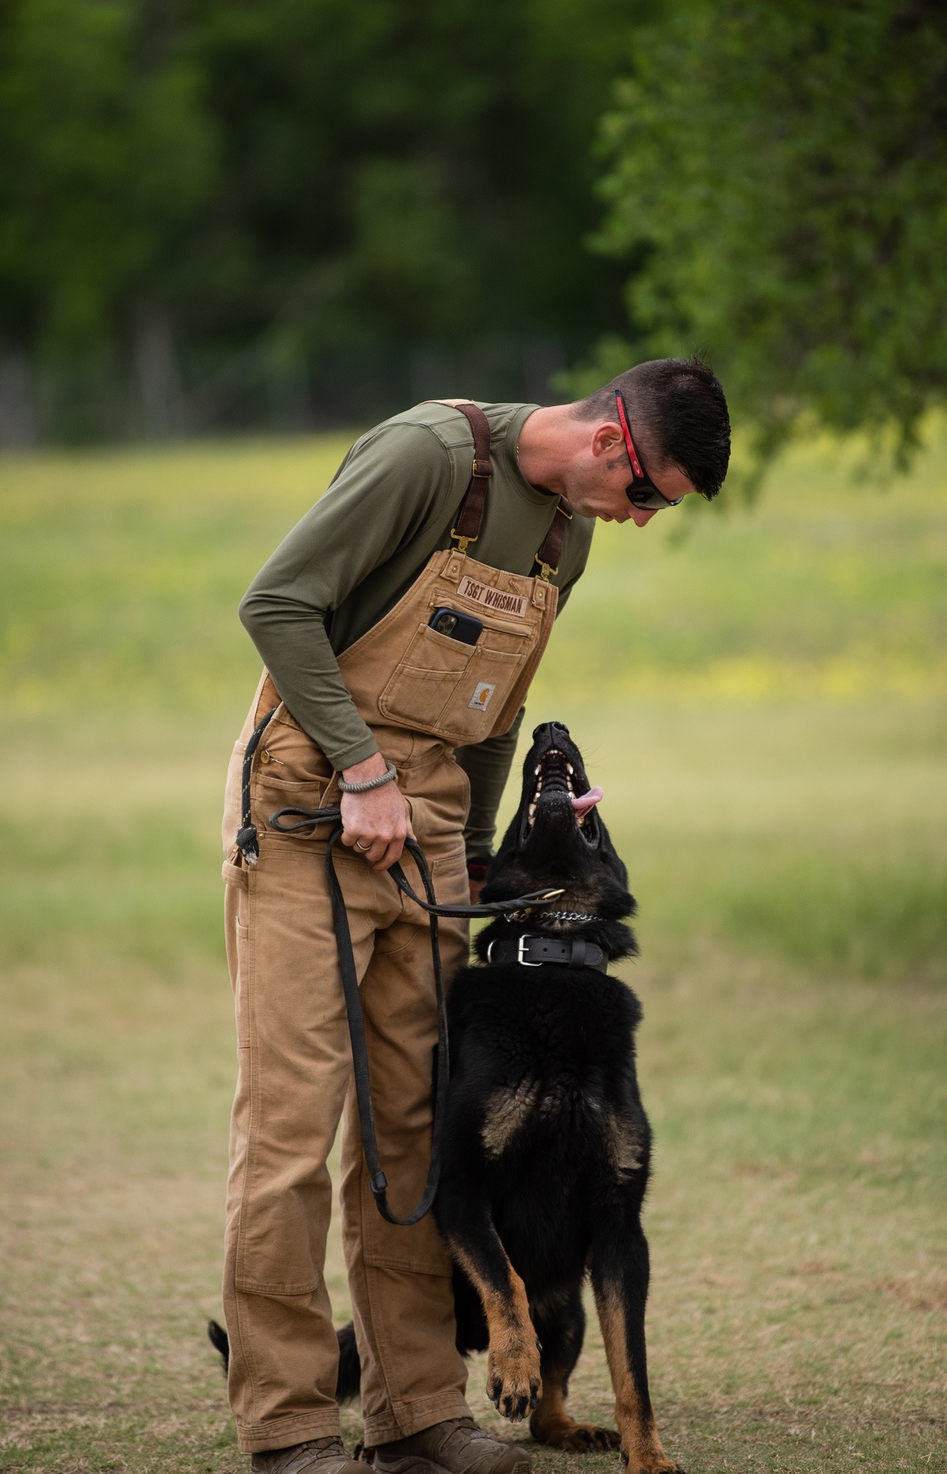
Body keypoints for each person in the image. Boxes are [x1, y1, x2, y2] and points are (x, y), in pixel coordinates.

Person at [219, 357, 730, 1474]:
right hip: (314, 800)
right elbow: (275, 603)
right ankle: (290, 1426)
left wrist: (485, 854)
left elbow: (492, 715)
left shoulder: (567, 537)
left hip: (435, 826)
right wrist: (360, 769)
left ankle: (417, 1415)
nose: (638, 520)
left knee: (414, 1130)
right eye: (647, 495)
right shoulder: (428, 457)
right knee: (291, 1135)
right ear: (611, 444)